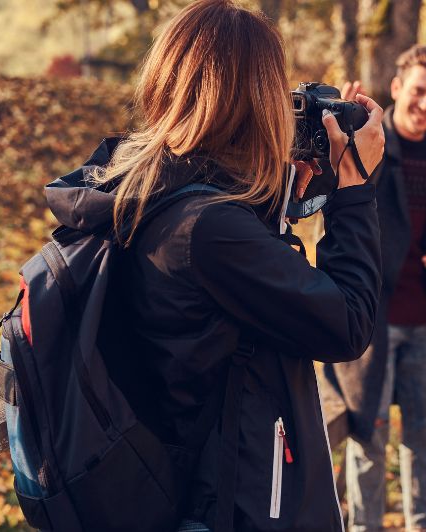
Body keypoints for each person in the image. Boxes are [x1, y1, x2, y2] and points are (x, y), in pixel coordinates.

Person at [68, 1, 386, 530]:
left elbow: (220, 313)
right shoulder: (209, 229)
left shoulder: (150, 187)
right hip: (233, 503)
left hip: (192, 486)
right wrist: (352, 187)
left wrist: (276, 209)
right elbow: (347, 325)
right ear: (249, 98)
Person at [324, 44, 426, 532]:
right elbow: (333, 196)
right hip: (374, 316)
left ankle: (422, 525)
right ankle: (366, 527)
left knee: (425, 433)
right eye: (420, 91)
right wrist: (343, 139)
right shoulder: (371, 143)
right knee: (370, 430)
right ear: (398, 87)